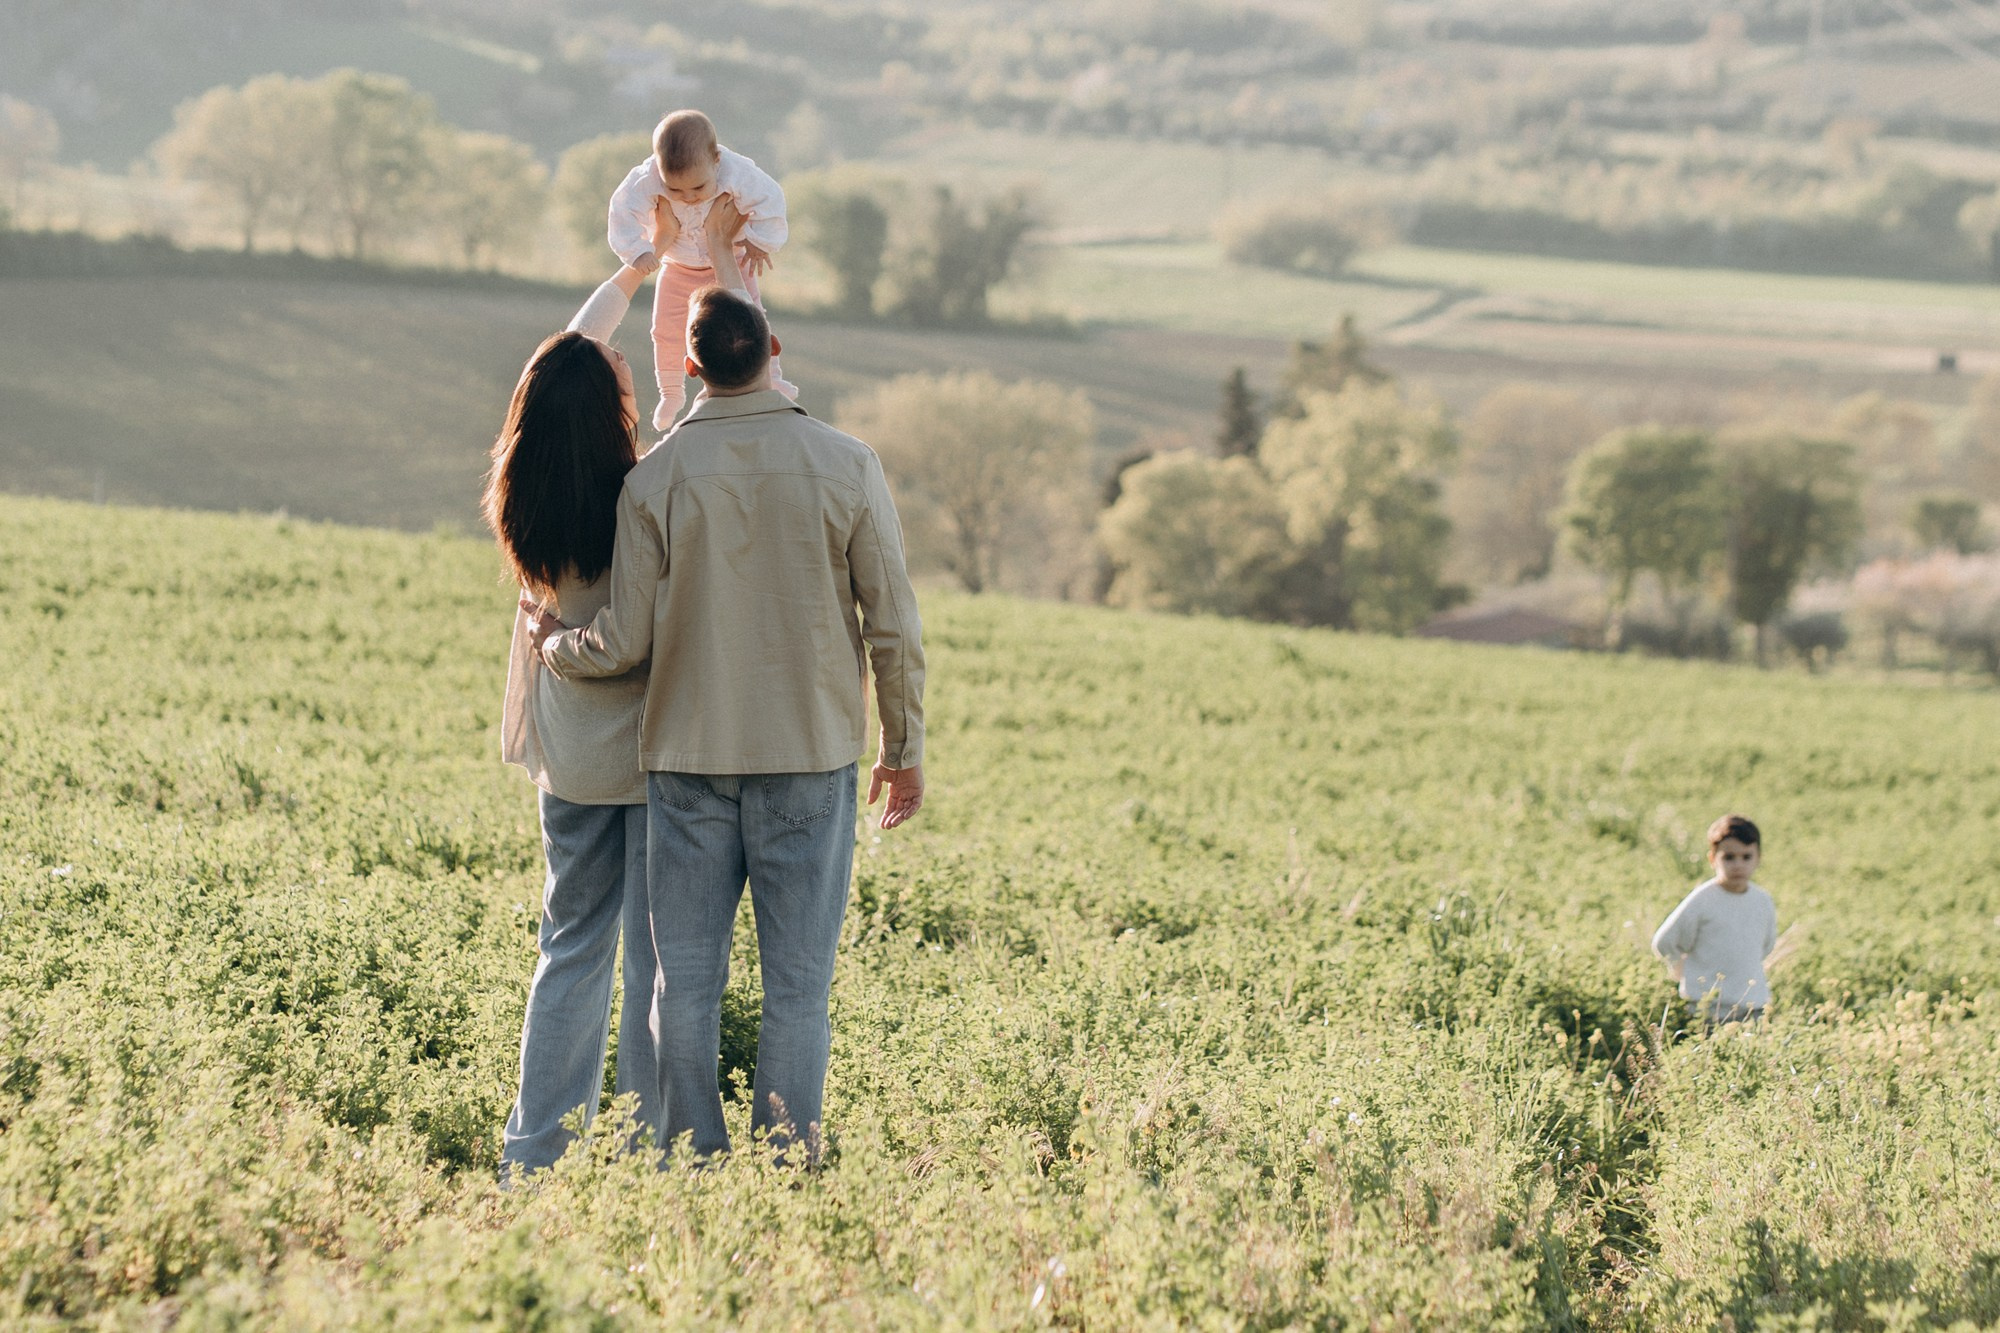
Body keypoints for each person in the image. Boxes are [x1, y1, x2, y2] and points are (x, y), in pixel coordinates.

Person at [528, 197, 926, 1165]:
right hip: (809, 758)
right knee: (797, 988)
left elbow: (625, 639)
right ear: (774, 350)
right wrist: (903, 747)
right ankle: (785, 1168)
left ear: (692, 366)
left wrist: (556, 647)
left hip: (687, 764)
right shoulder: (849, 464)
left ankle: (692, 1164)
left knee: (685, 986)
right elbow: (893, 624)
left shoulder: (654, 480)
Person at [485, 258, 662, 1174]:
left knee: (569, 948)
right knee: (655, 965)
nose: (625, 365)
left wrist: (638, 265)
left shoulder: (525, 485)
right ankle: (644, 1149)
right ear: (608, 413)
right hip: (647, 753)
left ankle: (536, 1152)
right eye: (620, 373)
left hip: (569, 758)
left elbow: (566, 358)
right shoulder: (643, 494)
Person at [607, 108, 797, 431]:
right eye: (675, 190)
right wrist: (638, 251)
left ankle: (773, 379)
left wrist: (760, 240)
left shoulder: (735, 170)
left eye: (698, 188)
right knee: (664, 328)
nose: (689, 198)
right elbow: (622, 210)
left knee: (752, 320)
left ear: (716, 160)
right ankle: (671, 391)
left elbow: (770, 198)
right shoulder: (646, 177)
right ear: (658, 168)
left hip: (732, 260)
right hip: (677, 265)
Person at [1652, 814, 1779, 1030]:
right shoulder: (1703, 899)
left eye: (1746, 857)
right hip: (1708, 1008)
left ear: (1758, 858)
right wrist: (1683, 973)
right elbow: (1664, 942)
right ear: (1713, 858)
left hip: (1752, 1005)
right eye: (1729, 857)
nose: (1738, 865)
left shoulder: (1762, 900)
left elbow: (1765, 946)